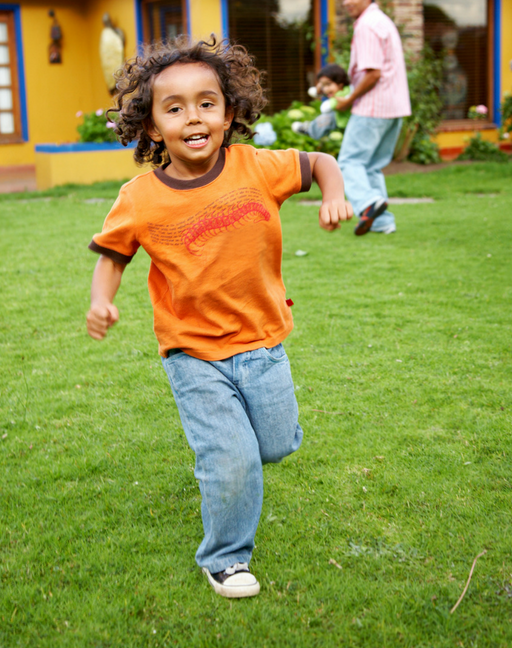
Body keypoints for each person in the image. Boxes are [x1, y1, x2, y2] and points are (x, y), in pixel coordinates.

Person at [85, 36, 353, 599]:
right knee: (231, 457)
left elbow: (322, 162)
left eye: (207, 102)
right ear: (153, 126)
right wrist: (101, 300)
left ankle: (241, 451)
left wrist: (333, 194)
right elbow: (113, 255)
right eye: (174, 107)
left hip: (263, 341)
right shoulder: (140, 198)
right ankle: (226, 558)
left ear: (229, 112)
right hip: (192, 352)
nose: (193, 116)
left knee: (273, 446)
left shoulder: (256, 167)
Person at [335, 0, 412, 235]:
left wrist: (348, 99)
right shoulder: (383, 21)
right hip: (395, 107)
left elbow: (373, 73)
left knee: (348, 162)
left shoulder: (366, 25)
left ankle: (368, 203)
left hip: (373, 107)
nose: (346, 2)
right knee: (372, 165)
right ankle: (382, 221)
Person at [292, 63, 351, 141]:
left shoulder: (342, 94)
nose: (325, 89)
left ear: (340, 84)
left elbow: (325, 108)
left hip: (344, 123)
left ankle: (310, 129)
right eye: (323, 85)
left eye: (328, 84)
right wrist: (320, 88)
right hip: (342, 122)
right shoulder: (341, 90)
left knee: (327, 117)